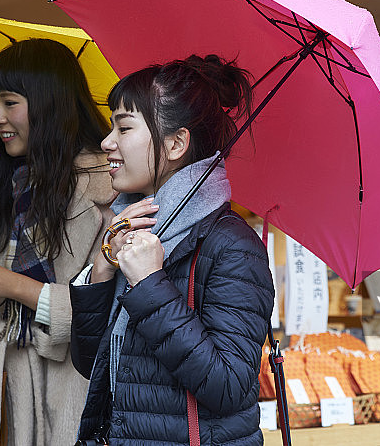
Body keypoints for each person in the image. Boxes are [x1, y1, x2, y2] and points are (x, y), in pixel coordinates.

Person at [69, 54, 275, 445]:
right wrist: (102, 267)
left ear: (176, 142)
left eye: (123, 127)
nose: (106, 142)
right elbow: (92, 365)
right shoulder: (134, 228)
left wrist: (149, 283)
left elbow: (228, 386)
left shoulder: (232, 245)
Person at [0, 38, 115, 445]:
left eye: (10, 102)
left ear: (49, 104)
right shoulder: (12, 186)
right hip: (8, 391)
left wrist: (8, 283)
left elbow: (104, 312)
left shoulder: (109, 189)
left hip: (77, 388)